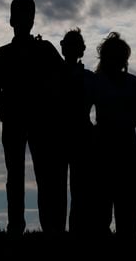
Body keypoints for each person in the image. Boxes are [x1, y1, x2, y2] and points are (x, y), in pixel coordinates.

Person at [0, 0, 63, 235]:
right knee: (21, 175)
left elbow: (61, 81)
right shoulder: (6, 53)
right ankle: (19, 226)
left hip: (39, 121)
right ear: (12, 20)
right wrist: (4, 111)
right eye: (20, 16)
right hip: (19, 120)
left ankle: (46, 226)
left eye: (26, 16)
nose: (23, 21)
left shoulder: (44, 50)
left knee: (43, 174)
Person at [93, 32, 136, 237]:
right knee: (102, 196)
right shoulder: (96, 81)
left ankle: (127, 234)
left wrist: (128, 123)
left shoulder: (132, 82)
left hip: (124, 140)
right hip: (104, 141)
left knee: (128, 196)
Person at [59, 28, 98, 235]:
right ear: (63, 48)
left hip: (81, 134)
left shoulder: (90, 78)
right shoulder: (53, 75)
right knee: (59, 187)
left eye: (76, 45)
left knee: (80, 188)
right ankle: (59, 229)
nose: (72, 49)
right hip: (61, 135)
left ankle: (76, 229)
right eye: (69, 44)